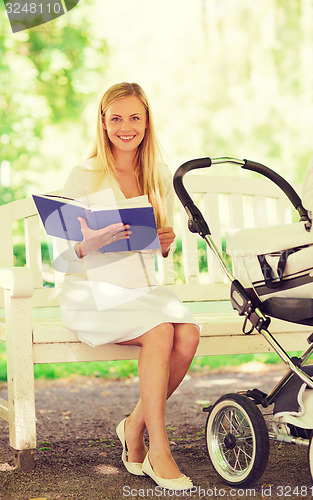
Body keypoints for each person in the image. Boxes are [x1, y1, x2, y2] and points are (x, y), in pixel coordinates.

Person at [54, 82, 200, 490]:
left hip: (138, 289)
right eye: (116, 118)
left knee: (186, 333)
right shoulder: (83, 175)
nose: (126, 126)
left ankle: (133, 426)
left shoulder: (157, 174)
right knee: (160, 331)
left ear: (146, 121)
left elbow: (156, 246)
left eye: (135, 117)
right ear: (102, 122)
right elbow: (61, 259)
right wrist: (90, 244)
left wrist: (165, 243)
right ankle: (159, 451)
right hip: (90, 292)